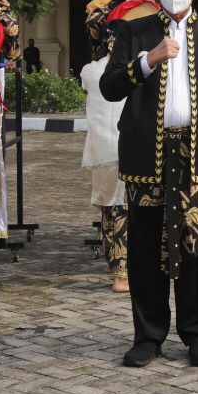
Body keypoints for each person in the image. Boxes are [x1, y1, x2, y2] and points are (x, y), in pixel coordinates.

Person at [100, 0, 198, 368]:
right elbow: (110, 87)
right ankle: (148, 335)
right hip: (148, 153)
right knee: (145, 248)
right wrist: (148, 60)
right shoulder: (134, 31)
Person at [80, 20, 129, 293]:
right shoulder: (138, 67)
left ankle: (118, 272)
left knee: (111, 211)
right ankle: (126, 272)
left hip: (102, 151)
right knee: (130, 211)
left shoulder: (90, 70)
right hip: (130, 147)